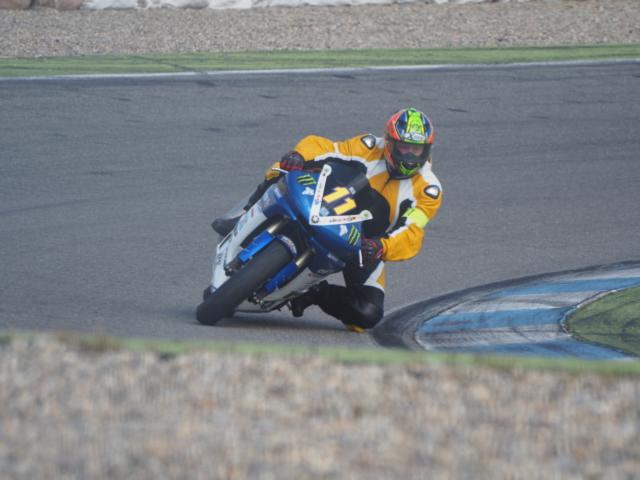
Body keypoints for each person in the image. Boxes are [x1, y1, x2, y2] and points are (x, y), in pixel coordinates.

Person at [212, 107, 442, 332]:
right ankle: (245, 213)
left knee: (367, 312)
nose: (409, 156)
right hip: (326, 203)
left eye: (416, 150)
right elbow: (328, 148)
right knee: (283, 168)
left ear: (427, 150)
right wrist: (299, 155)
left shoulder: (428, 190)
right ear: (390, 142)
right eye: (404, 147)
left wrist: (382, 246)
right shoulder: (369, 146)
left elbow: (412, 231)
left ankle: (311, 292)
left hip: (364, 243)